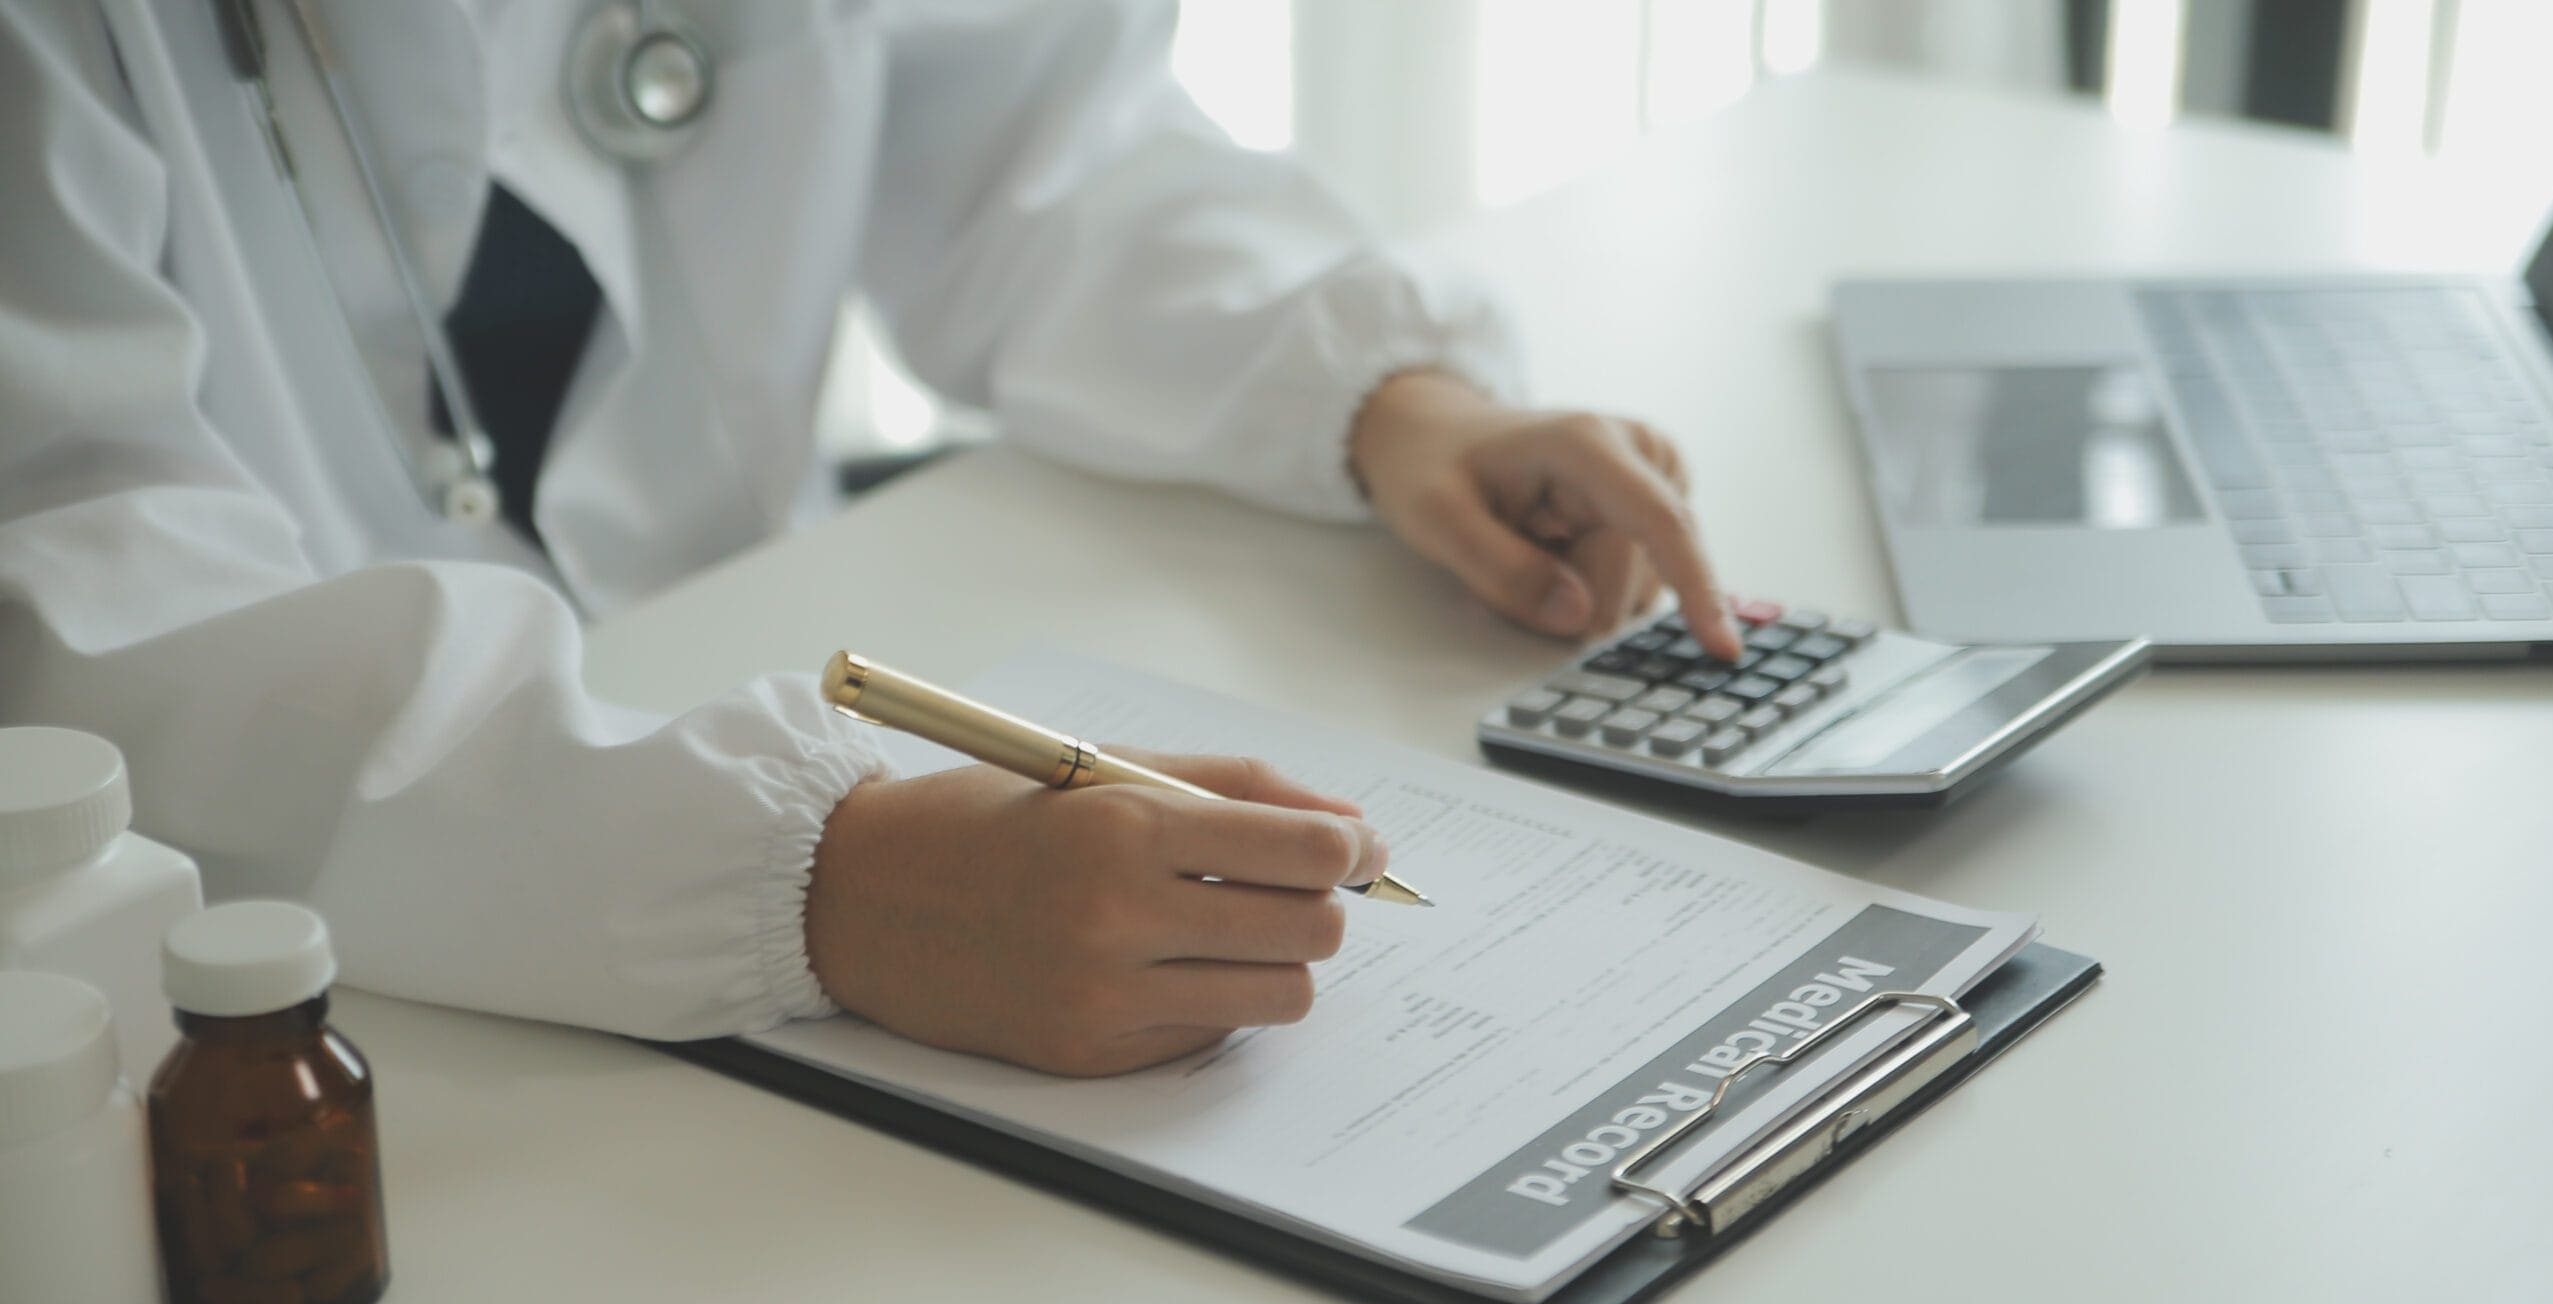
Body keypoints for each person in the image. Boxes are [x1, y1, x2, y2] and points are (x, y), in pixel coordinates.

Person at [0, 0, 1736, 1075]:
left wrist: (1377, 396)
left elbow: (1049, 152)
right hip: (288, 991)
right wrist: (815, 879)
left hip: (751, 692)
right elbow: (82, 595)